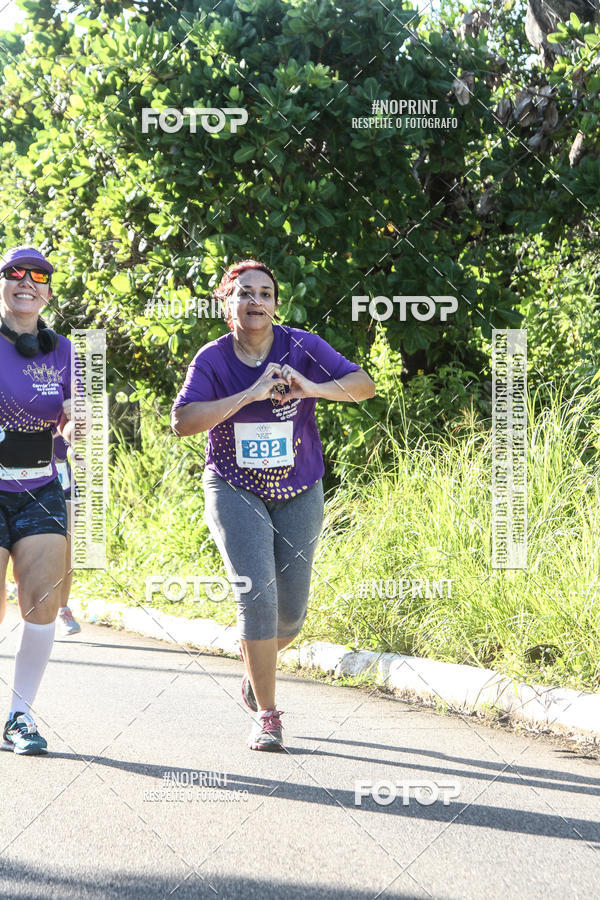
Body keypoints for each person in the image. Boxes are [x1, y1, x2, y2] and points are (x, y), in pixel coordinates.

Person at [171, 259, 375, 751]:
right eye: (244, 293)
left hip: (298, 487)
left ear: (276, 304)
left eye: (264, 293)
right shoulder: (214, 358)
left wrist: (312, 387)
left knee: (291, 615)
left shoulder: (300, 345)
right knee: (257, 599)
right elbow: (182, 421)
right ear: (228, 303)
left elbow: (363, 385)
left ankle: (254, 671)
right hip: (234, 487)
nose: (255, 301)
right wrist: (249, 394)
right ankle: (268, 714)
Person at [0, 246, 74, 755]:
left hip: (40, 487)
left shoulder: (65, 351)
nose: (26, 281)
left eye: (39, 275)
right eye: (14, 273)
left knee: (42, 602)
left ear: (48, 291)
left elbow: (81, 417)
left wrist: (81, 419)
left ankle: (19, 717)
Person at [53, 432, 81, 636]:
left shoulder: (68, 397)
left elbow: (79, 426)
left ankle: (62, 609)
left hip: (60, 471)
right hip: (16, 471)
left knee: (67, 542)